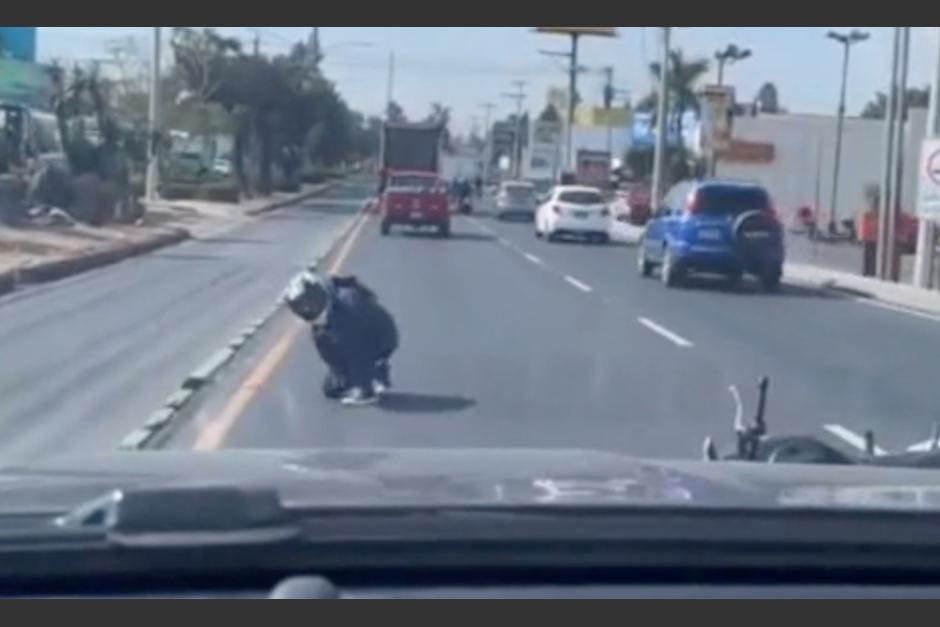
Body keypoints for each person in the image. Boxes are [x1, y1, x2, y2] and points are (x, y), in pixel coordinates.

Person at [284, 271, 399, 407]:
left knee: (347, 344)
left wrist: (363, 387)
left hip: (380, 339)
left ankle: (369, 384)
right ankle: (370, 374)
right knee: (332, 388)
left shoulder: (347, 305)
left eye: (309, 302)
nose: (307, 308)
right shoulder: (330, 303)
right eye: (301, 306)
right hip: (364, 336)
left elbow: (358, 346)